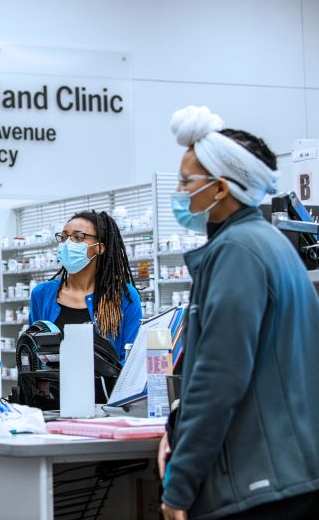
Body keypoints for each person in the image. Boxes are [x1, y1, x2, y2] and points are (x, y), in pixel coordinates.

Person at [158, 106, 319, 519]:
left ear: (220, 189)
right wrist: (177, 425)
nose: (179, 190)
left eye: (185, 181)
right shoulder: (270, 244)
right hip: (290, 473)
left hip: (257, 486)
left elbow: (218, 377)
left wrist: (179, 487)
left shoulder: (236, 252)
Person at [29, 209, 143, 362]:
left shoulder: (122, 296)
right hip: (55, 386)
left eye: (78, 237)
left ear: (99, 247)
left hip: (107, 386)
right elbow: (32, 350)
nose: (67, 244)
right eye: (63, 237)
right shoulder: (42, 294)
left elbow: (131, 359)